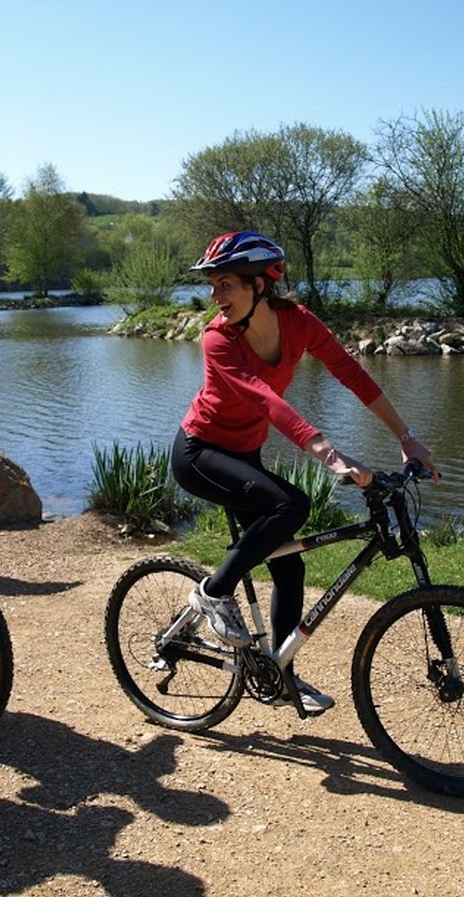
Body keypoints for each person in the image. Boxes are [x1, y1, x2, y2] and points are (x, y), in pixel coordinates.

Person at [171, 231, 437, 715]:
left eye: (225, 283)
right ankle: (213, 592)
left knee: (289, 562)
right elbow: (265, 399)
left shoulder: (298, 323)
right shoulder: (217, 337)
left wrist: (405, 435)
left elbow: (350, 372)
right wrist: (329, 453)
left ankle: (281, 676)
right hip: (200, 453)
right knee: (291, 503)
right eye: (213, 285)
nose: (215, 296)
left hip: (244, 455)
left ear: (261, 283)